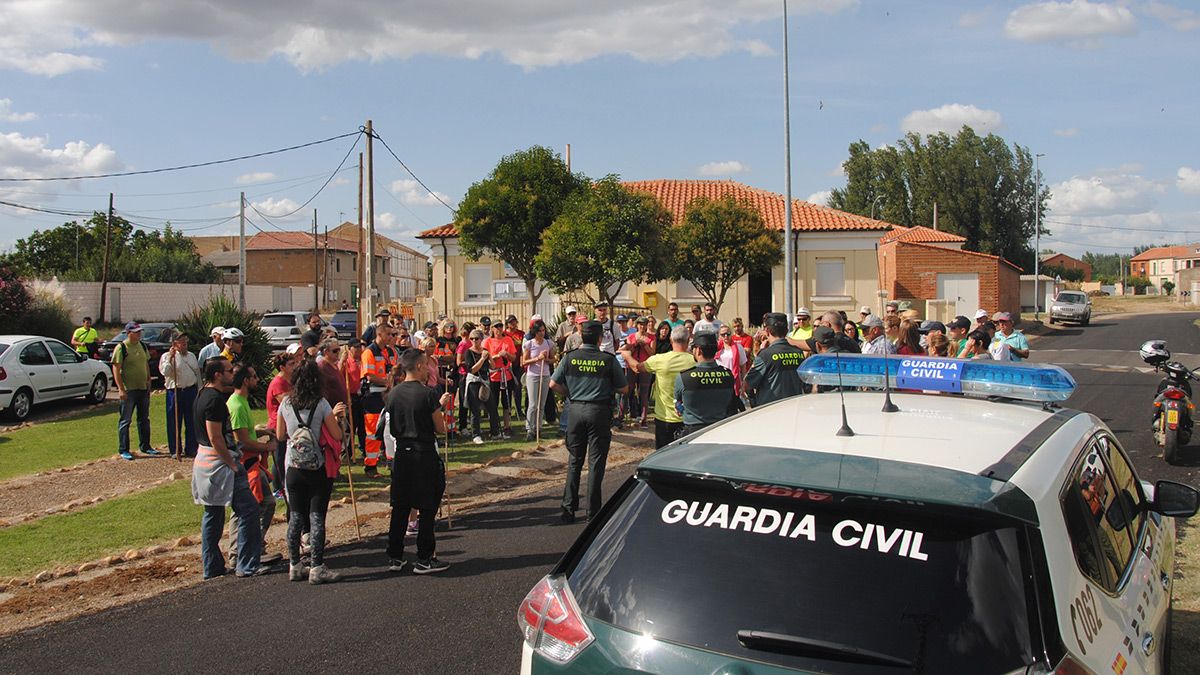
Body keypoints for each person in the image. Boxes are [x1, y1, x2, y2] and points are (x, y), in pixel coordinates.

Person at [192, 357, 268, 579]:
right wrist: (232, 463)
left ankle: (212, 567)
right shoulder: (214, 400)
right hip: (219, 463)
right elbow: (216, 437)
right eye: (227, 371)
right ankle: (246, 564)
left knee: (213, 515)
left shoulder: (201, 394)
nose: (231, 374)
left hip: (205, 461)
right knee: (249, 510)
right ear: (217, 374)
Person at [384, 349, 455, 574]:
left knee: (401, 506)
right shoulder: (427, 394)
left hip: (401, 454)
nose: (428, 369)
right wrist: (441, 410)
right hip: (423, 453)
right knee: (427, 507)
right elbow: (440, 428)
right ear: (417, 367)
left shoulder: (393, 394)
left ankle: (395, 555)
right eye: (425, 365)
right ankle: (424, 558)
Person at [550, 321, 628, 523]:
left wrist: (571, 394)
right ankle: (592, 513)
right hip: (599, 411)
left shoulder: (570, 357)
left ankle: (568, 509)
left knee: (574, 461)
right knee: (595, 463)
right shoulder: (608, 360)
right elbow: (624, 388)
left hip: (575, 411)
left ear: (580, 336)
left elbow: (553, 384)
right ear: (600, 338)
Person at [277, 359, 346, 584]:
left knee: (296, 516)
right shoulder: (322, 404)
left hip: (293, 465)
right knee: (317, 516)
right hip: (317, 466)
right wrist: (338, 420)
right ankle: (317, 566)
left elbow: (279, 435)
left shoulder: (286, 403)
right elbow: (336, 435)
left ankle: (294, 564)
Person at [226, 363, 281, 568]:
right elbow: (242, 441)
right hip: (245, 464)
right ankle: (240, 552)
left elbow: (246, 433)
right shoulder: (238, 405)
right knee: (249, 507)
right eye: (254, 376)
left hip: (250, 463)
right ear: (245, 381)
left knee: (264, 504)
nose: (257, 380)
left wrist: (263, 433)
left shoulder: (241, 402)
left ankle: (250, 547)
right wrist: (267, 446)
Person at [623, 325, 694, 448]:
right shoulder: (694, 360)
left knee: (662, 455)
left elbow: (637, 368)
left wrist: (627, 356)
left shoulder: (660, 359)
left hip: (664, 418)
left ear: (671, 340)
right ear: (688, 341)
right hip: (688, 418)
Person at [675, 332, 736, 435]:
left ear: (698, 350)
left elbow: (678, 405)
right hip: (721, 430)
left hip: (693, 432)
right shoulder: (728, 375)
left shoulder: (684, 377)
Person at [362, 325, 400, 476]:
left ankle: (390, 461)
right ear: (380, 334)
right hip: (373, 397)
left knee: (389, 430)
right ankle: (370, 465)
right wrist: (387, 381)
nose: (392, 337)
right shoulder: (369, 352)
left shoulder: (389, 351)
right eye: (389, 334)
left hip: (388, 395)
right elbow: (370, 376)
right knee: (373, 432)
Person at [113, 321, 154, 460]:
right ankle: (124, 449)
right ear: (129, 333)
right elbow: (116, 369)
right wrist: (121, 389)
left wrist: (149, 380)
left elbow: (145, 364)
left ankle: (146, 446)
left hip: (142, 388)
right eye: (136, 332)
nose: (139, 334)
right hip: (129, 390)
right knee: (125, 420)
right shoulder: (121, 348)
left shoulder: (142, 346)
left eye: (139, 332)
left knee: (144, 419)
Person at [745, 313, 805, 407]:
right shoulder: (799, 353)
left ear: (767, 330)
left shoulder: (765, 355)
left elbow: (747, 384)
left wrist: (753, 400)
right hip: (794, 408)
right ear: (787, 330)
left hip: (770, 410)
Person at [160, 330, 202, 458]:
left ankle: (191, 448)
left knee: (191, 421)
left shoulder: (191, 356)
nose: (184, 344)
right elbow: (165, 372)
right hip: (175, 391)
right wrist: (170, 358)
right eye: (181, 341)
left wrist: (200, 389)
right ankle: (175, 449)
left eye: (186, 341)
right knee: (174, 421)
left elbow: (197, 373)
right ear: (174, 344)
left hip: (190, 390)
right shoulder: (166, 357)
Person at [267, 347, 300, 494]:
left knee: (286, 454)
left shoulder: (290, 380)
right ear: (282, 367)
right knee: (279, 456)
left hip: (288, 424)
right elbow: (286, 402)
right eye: (291, 364)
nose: (294, 366)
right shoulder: (278, 383)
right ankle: (277, 487)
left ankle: (285, 483)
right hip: (277, 424)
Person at [522, 320, 556, 441]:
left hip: (545, 375)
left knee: (541, 404)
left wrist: (546, 359)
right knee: (533, 404)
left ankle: (538, 428)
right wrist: (537, 358)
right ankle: (529, 429)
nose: (542, 333)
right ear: (534, 332)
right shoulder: (529, 344)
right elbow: (524, 362)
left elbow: (553, 360)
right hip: (533, 376)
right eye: (539, 331)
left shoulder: (548, 343)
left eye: (543, 330)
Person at [483, 321, 516, 439]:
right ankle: (494, 427)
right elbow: (484, 358)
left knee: (506, 402)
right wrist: (496, 356)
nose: (499, 329)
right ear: (492, 328)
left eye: (500, 326)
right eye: (496, 327)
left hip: (506, 375)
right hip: (494, 375)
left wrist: (506, 354)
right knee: (493, 403)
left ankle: (507, 427)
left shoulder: (508, 340)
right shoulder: (487, 342)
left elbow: (514, 357)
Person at [624, 316, 656, 427]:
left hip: (645, 367)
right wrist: (635, 344)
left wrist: (645, 345)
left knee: (644, 393)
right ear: (637, 325)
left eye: (644, 324)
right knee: (627, 391)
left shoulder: (651, 337)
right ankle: (622, 416)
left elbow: (652, 353)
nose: (642, 327)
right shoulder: (631, 337)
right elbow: (627, 352)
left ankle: (644, 418)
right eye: (640, 324)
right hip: (632, 366)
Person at [461, 329, 490, 444]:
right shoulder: (468, 352)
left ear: (481, 340)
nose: (474, 341)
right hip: (473, 381)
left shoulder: (485, 351)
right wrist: (482, 359)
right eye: (471, 339)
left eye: (476, 339)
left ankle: (495, 431)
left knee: (491, 406)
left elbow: (491, 366)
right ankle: (476, 434)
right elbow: (472, 370)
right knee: (474, 409)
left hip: (485, 381)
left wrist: (489, 357)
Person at [715, 325, 748, 412]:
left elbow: (743, 366)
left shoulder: (738, 347)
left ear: (731, 334)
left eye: (728, 334)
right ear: (719, 336)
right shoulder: (716, 349)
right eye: (723, 334)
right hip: (720, 383)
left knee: (735, 410)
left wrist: (743, 383)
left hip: (734, 383)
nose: (726, 336)